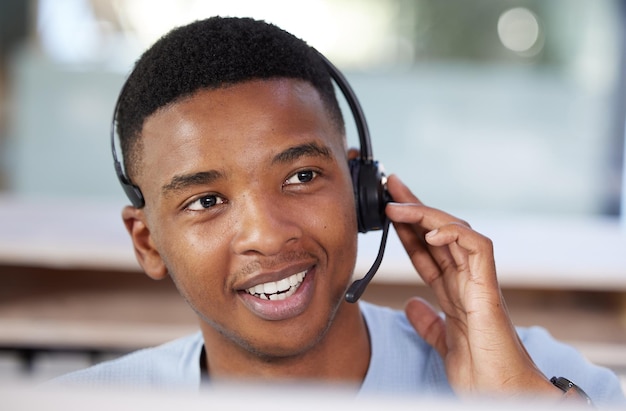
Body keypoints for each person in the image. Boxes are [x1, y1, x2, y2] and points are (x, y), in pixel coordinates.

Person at [53, 16, 624, 406]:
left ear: (361, 192)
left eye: (301, 177)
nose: (267, 236)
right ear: (148, 241)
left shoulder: (537, 373)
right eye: (206, 201)